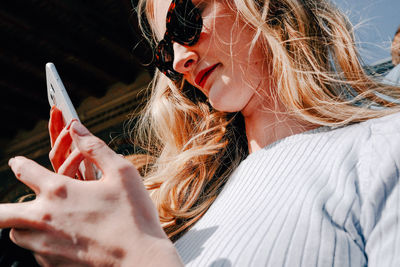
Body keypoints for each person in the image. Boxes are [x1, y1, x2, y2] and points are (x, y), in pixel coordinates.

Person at [1, 0, 400, 266]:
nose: (179, 59)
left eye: (186, 19)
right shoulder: (179, 212)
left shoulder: (384, 145)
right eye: (163, 52)